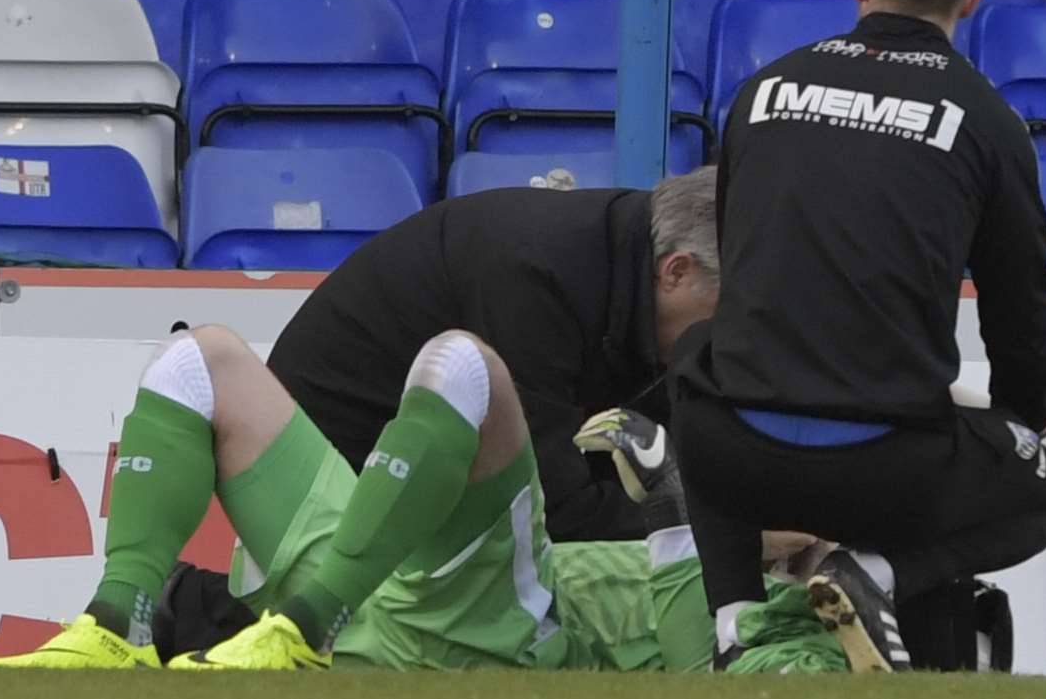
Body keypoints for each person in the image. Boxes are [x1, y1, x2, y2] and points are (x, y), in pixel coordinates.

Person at [669, 0, 1046, 672]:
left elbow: (743, 259)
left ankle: (734, 621)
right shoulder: (986, 120)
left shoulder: (762, 92)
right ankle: (873, 575)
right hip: (891, 471)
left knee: (699, 366)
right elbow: (1021, 308)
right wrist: (1024, 419)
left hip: (734, 448)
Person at [0, 326, 851, 674]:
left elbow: (708, 683)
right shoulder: (761, 560)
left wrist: (674, 518)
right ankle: (116, 628)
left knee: (463, 362)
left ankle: (306, 626)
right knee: (199, 362)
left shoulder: (813, 631)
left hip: (494, 624)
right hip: (380, 562)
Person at [158, 169, 721, 655]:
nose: (738, 339)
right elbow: (563, 511)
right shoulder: (539, 278)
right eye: (731, 313)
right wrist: (720, 530)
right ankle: (196, 614)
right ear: (676, 271)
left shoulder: (623, 264)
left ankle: (206, 612)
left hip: (407, 448)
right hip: (339, 462)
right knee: (470, 616)